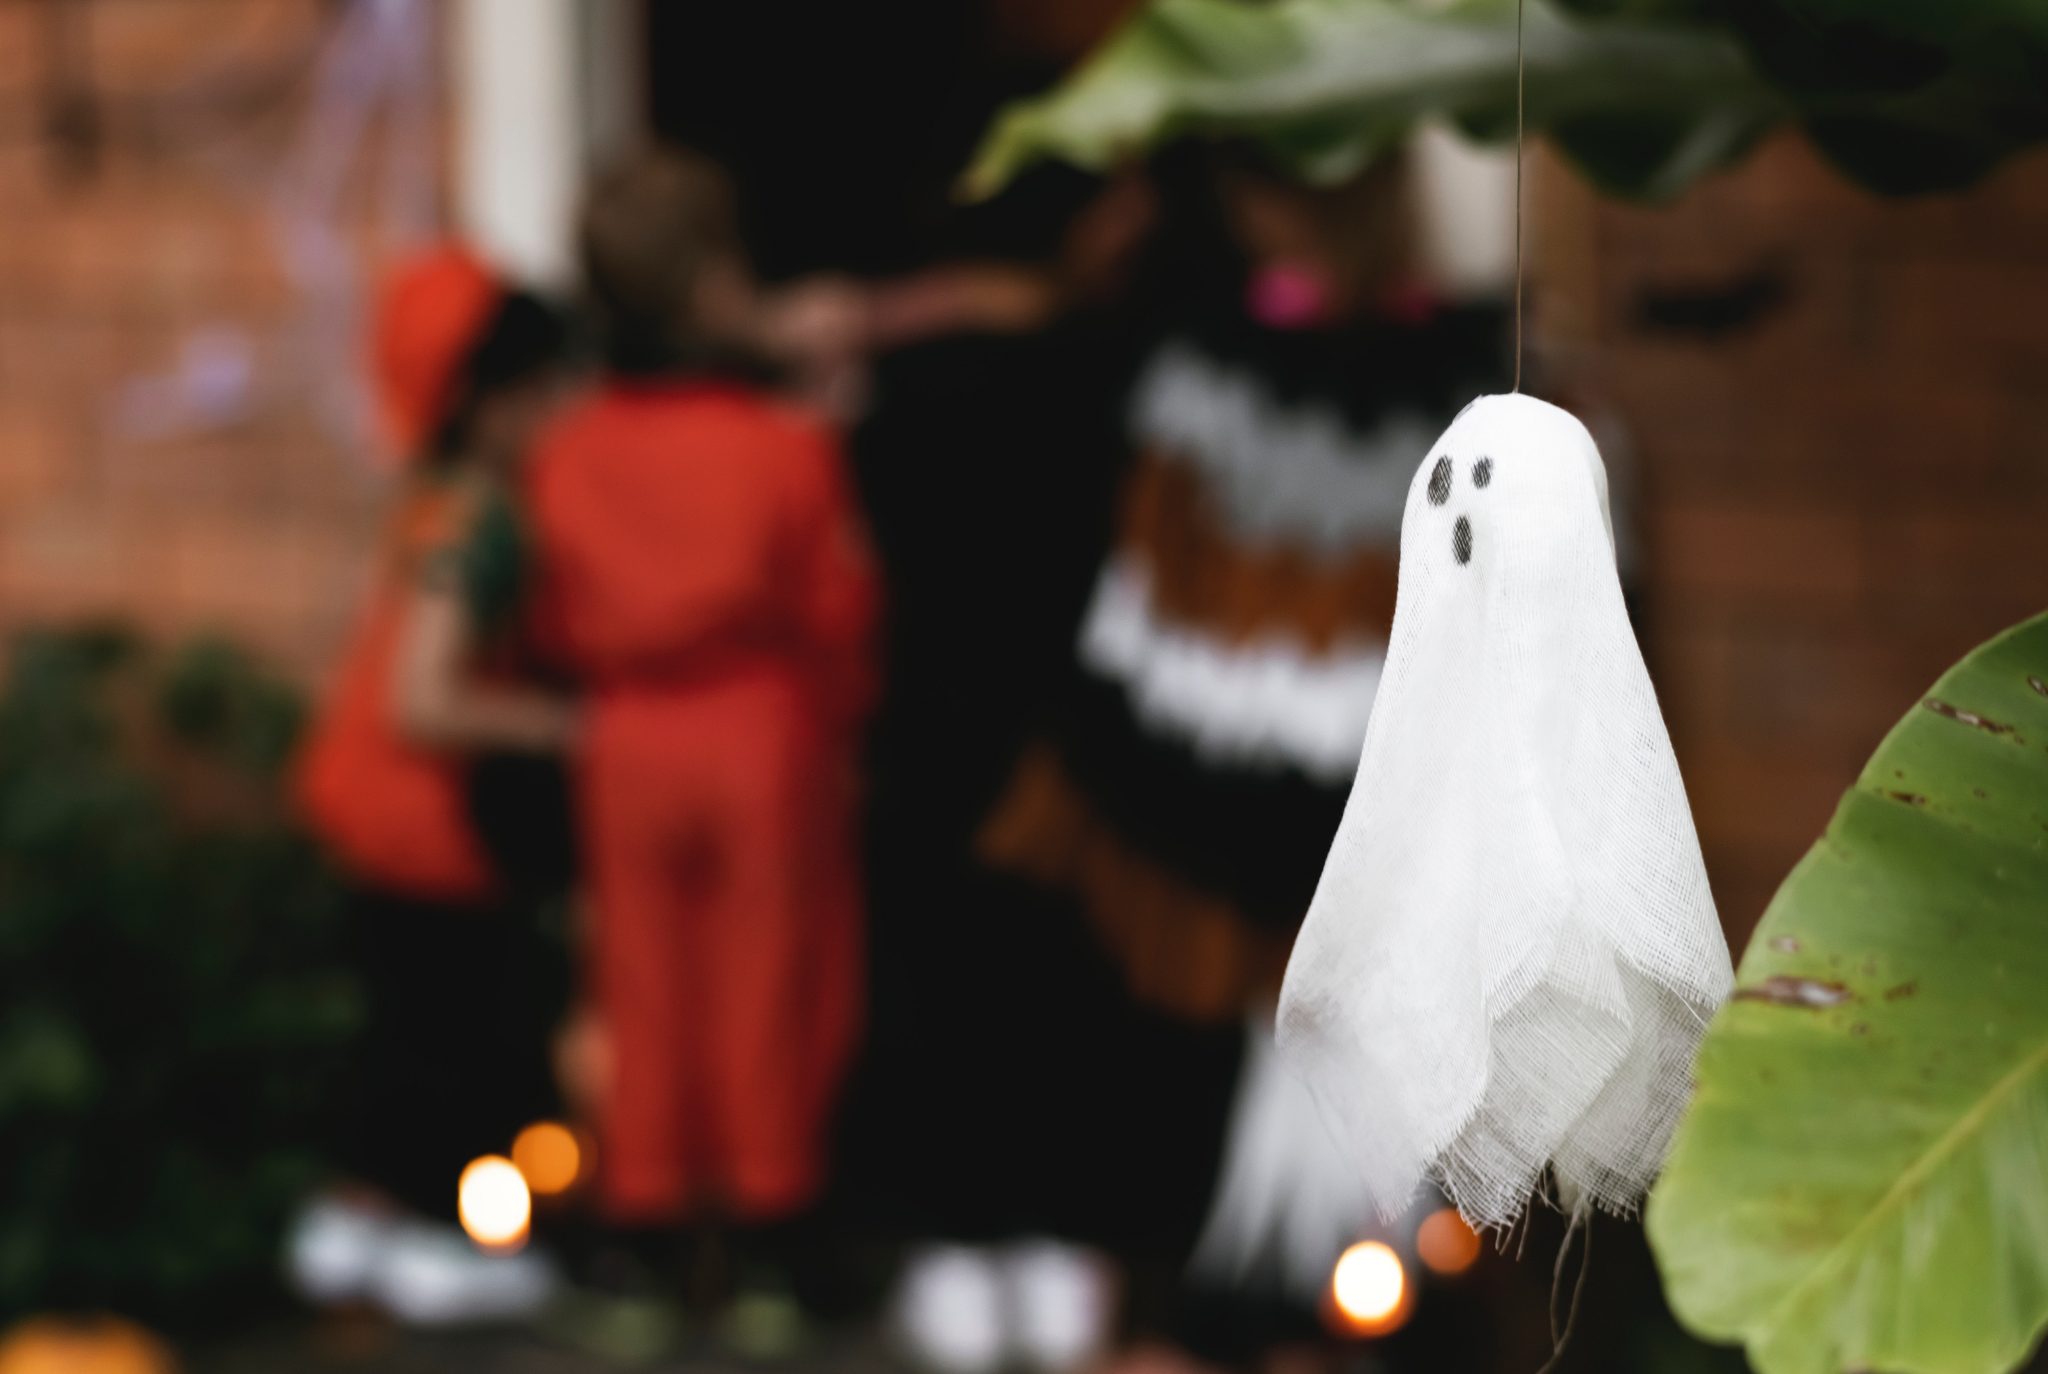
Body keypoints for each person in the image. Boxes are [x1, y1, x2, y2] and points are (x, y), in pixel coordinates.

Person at [513, 148, 878, 1321]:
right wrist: (840, 730)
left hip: (625, 736)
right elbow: (841, 616)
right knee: (770, 985)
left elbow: (551, 611)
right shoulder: (784, 446)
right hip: (759, 730)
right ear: (714, 276)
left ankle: (649, 1255)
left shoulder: (565, 451)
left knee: (641, 985)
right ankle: (771, 1253)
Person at [289, 244, 576, 1325]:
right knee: (459, 1037)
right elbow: (425, 697)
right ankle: (441, 1229)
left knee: (404, 1028)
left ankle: (364, 1216)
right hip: (430, 822)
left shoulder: (433, 498)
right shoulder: (480, 519)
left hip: (375, 810)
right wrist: (565, 724)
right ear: (490, 402)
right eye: (547, 390)